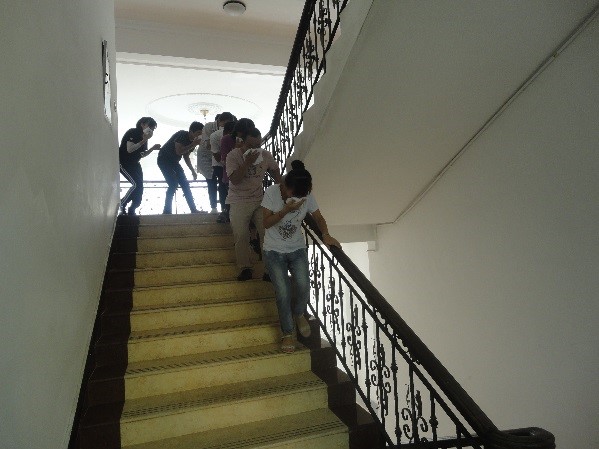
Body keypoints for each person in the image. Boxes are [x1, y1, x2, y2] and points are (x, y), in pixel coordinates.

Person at [261, 160, 341, 353]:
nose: (297, 198)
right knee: (283, 292)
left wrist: (325, 234)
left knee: (304, 285)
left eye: (301, 196)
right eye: (293, 194)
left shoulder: (306, 195)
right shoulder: (271, 193)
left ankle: (298, 314)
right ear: (284, 185)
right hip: (273, 250)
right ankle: (288, 333)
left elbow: (318, 217)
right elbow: (266, 223)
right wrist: (285, 211)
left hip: (296, 248)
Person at [226, 127, 282, 281]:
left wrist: (281, 191)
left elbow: (275, 171)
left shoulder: (265, 155)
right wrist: (247, 163)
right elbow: (235, 180)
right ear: (242, 142)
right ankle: (245, 268)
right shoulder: (233, 156)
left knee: (267, 234)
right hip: (238, 201)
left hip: (259, 200)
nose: (255, 149)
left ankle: (269, 270)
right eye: (251, 146)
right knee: (241, 235)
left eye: (258, 145)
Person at [157, 121, 204, 214]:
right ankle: (167, 210)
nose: (199, 135)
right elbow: (179, 151)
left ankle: (193, 209)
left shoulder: (192, 142)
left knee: (185, 184)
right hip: (164, 159)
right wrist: (194, 144)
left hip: (174, 162)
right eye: (198, 133)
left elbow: (186, 156)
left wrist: (192, 170)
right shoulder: (182, 134)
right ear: (191, 132)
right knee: (173, 184)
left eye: (201, 133)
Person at [119, 117, 159, 215]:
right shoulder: (133, 132)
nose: (151, 130)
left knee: (140, 187)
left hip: (135, 163)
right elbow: (129, 149)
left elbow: (142, 154)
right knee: (136, 184)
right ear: (142, 124)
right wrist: (144, 140)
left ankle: (132, 208)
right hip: (124, 162)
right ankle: (122, 204)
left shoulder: (145, 138)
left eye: (153, 129)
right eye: (150, 126)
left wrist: (152, 148)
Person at [196, 112, 235, 213]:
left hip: (220, 157)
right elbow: (207, 145)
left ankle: (225, 208)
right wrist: (221, 136)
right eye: (225, 124)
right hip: (206, 157)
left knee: (223, 182)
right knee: (211, 181)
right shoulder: (209, 127)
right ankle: (213, 207)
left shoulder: (228, 130)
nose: (226, 126)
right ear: (219, 121)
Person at [214, 121, 236, 223]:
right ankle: (226, 214)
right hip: (230, 174)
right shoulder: (225, 139)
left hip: (234, 175)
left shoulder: (226, 139)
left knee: (230, 196)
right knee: (229, 195)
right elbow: (223, 159)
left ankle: (227, 214)